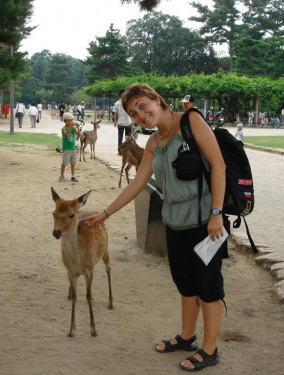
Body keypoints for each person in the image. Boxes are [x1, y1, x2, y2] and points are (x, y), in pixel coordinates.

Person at [83, 83, 226, 372]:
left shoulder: (191, 121)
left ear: (157, 100)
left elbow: (219, 165)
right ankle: (187, 337)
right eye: (133, 113)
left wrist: (216, 213)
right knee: (185, 283)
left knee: (209, 287)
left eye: (142, 106)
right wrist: (106, 213)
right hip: (173, 222)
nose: (140, 114)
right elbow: (138, 184)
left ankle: (210, 350)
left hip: (204, 222)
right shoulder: (154, 142)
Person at [59, 112, 81, 182]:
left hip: (72, 148)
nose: (71, 122)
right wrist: (70, 127)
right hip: (66, 148)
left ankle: (73, 175)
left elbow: (79, 135)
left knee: (73, 163)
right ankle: (62, 175)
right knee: (64, 163)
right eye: (69, 120)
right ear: (65, 121)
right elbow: (66, 134)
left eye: (72, 120)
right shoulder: (63, 128)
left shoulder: (73, 129)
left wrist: (78, 128)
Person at [113, 89, 133, 155]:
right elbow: (115, 113)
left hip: (127, 123)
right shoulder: (126, 102)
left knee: (126, 138)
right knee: (122, 138)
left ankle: (123, 151)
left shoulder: (125, 102)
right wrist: (115, 121)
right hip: (123, 123)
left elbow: (131, 112)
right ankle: (123, 151)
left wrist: (132, 119)